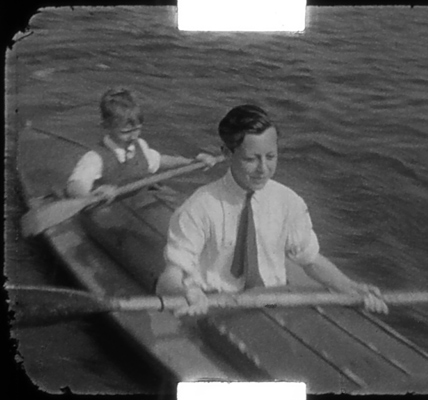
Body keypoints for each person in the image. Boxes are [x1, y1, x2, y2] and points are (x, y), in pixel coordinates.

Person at [156, 104, 389, 316]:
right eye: (251, 159)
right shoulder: (199, 207)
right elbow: (169, 278)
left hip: (272, 301)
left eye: (271, 157)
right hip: (214, 305)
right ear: (227, 153)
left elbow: (310, 260)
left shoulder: (289, 202)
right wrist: (185, 294)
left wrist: (352, 288)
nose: (263, 169)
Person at [66, 87, 216, 200]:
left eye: (137, 129)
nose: (133, 136)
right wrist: (92, 194)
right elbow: (74, 186)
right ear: (106, 126)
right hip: (110, 208)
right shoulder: (95, 157)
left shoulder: (140, 145)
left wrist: (191, 161)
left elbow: (160, 161)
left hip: (140, 202)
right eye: (125, 132)